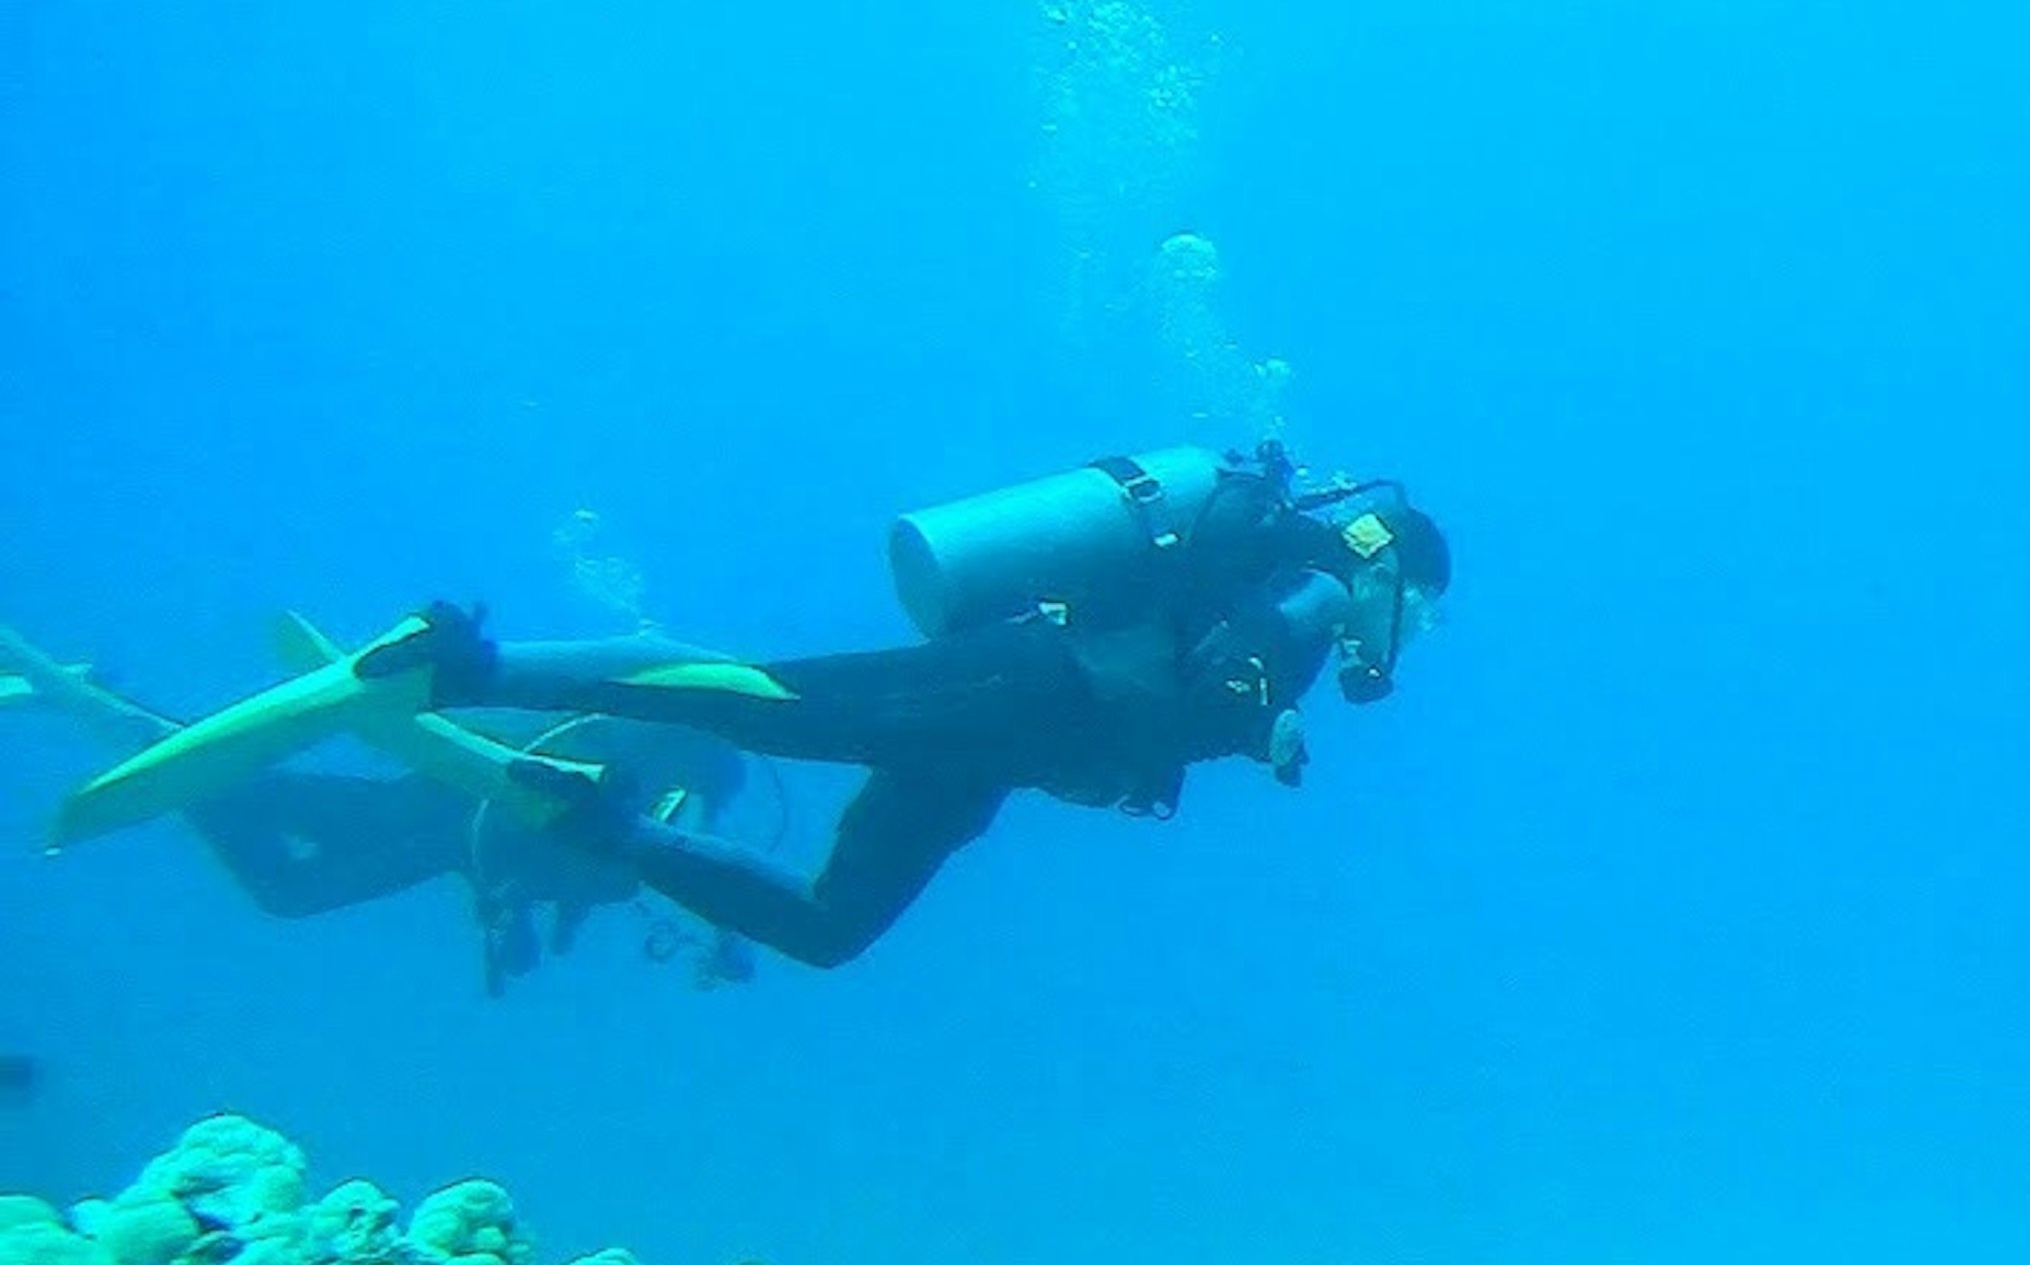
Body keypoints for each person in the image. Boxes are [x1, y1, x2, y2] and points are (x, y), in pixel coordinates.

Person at [49, 443, 1454, 971]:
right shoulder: (1328, 591)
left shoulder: (1290, 580)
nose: (1410, 630)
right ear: (1403, 568)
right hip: (1024, 692)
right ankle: (466, 659)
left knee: (833, 928)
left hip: (1016, 749)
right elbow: (1219, 685)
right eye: (1424, 607)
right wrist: (1265, 720)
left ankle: (595, 820)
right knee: (764, 705)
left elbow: (1187, 691)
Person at [2, 623, 760, 994]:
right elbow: (547, 800)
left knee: (274, 861)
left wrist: (726, 937)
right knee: (275, 861)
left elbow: (698, 861)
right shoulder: (630, 737)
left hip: (438, 832)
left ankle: (115, 716)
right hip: (431, 809)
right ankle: (102, 705)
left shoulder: (702, 772)